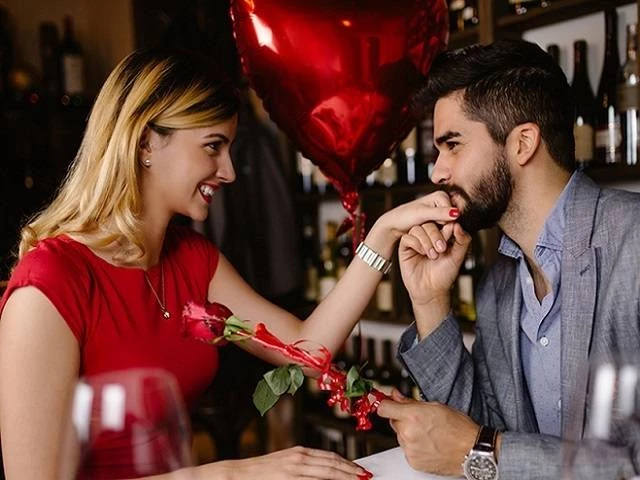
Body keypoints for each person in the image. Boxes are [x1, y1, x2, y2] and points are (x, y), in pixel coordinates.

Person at [0, 49, 461, 480]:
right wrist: (231, 473)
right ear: (145, 143)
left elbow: (306, 351)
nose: (229, 172)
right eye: (212, 147)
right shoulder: (51, 282)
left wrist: (382, 234)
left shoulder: (193, 259)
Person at [376, 39, 640, 479]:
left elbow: (481, 446)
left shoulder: (633, 243)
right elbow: (476, 429)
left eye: (452, 145)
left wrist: (484, 449)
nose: (437, 172)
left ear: (522, 144)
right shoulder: (500, 282)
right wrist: (429, 300)